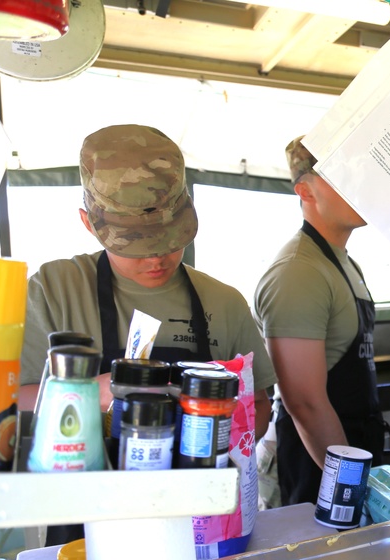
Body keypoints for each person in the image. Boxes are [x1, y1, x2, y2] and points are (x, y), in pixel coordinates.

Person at [19, 124, 276, 441]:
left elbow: (259, 404)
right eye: (134, 245)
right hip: (77, 483)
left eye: (169, 241)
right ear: (88, 223)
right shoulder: (54, 290)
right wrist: (88, 394)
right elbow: (11, 400)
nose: (156, 258)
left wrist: (224, 432)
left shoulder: (224, 302)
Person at [254, 136, 384, 506]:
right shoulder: (299, 272)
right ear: (305, 191)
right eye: (343, 177)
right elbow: (305, 403)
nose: (359, 188)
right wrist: (349, 486)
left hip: (352, 449)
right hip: (316, 471)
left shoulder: (342, 261)